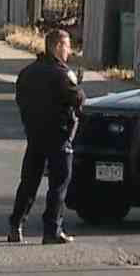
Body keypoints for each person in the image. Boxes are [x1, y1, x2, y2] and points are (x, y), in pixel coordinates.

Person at [7, 29, 85, 245]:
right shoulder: (62, 74)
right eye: (68, 46)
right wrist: (78, 86)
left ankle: (16, 225)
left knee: (28, 183)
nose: (70, 51)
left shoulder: (27, 72)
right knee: (59, 184)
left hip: (34, 136)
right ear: (58, 47)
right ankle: (52, 230)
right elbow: (77, 100)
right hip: (58, 137)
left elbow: (20, 100)